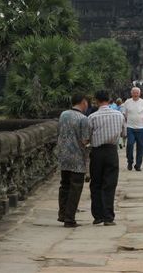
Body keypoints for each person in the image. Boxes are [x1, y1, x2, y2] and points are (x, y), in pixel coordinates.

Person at [87, 90, 126, 225]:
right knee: (110, 184)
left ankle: (98, 216)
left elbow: (87, 137)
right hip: (111, 151)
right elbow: (123, 133)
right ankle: (108, 216)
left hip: (97, 152)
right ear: (109, 100)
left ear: (97, 101)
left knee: (96, 183)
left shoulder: (92, 117)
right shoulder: (119, 115)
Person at [56, 94, 89, 228]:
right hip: (77, 158)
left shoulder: (63, 115)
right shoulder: (83, 119)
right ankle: (70, 218)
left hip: (63, 155)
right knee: (75, 187)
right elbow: (85, 139)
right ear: (83, 102)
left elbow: (59, 132)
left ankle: (62, 214)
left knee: (64, 185)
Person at [121, 87, 143, 171]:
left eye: (137, 93)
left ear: (139, 94)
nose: (135, 94)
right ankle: (130, 161)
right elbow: (124, 115)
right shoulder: (127, 102)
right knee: (129, 144)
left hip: (141, 128)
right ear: (131, 93)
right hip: (130, 128)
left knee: (140, 147)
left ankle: (138, 165)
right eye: (134, 92)